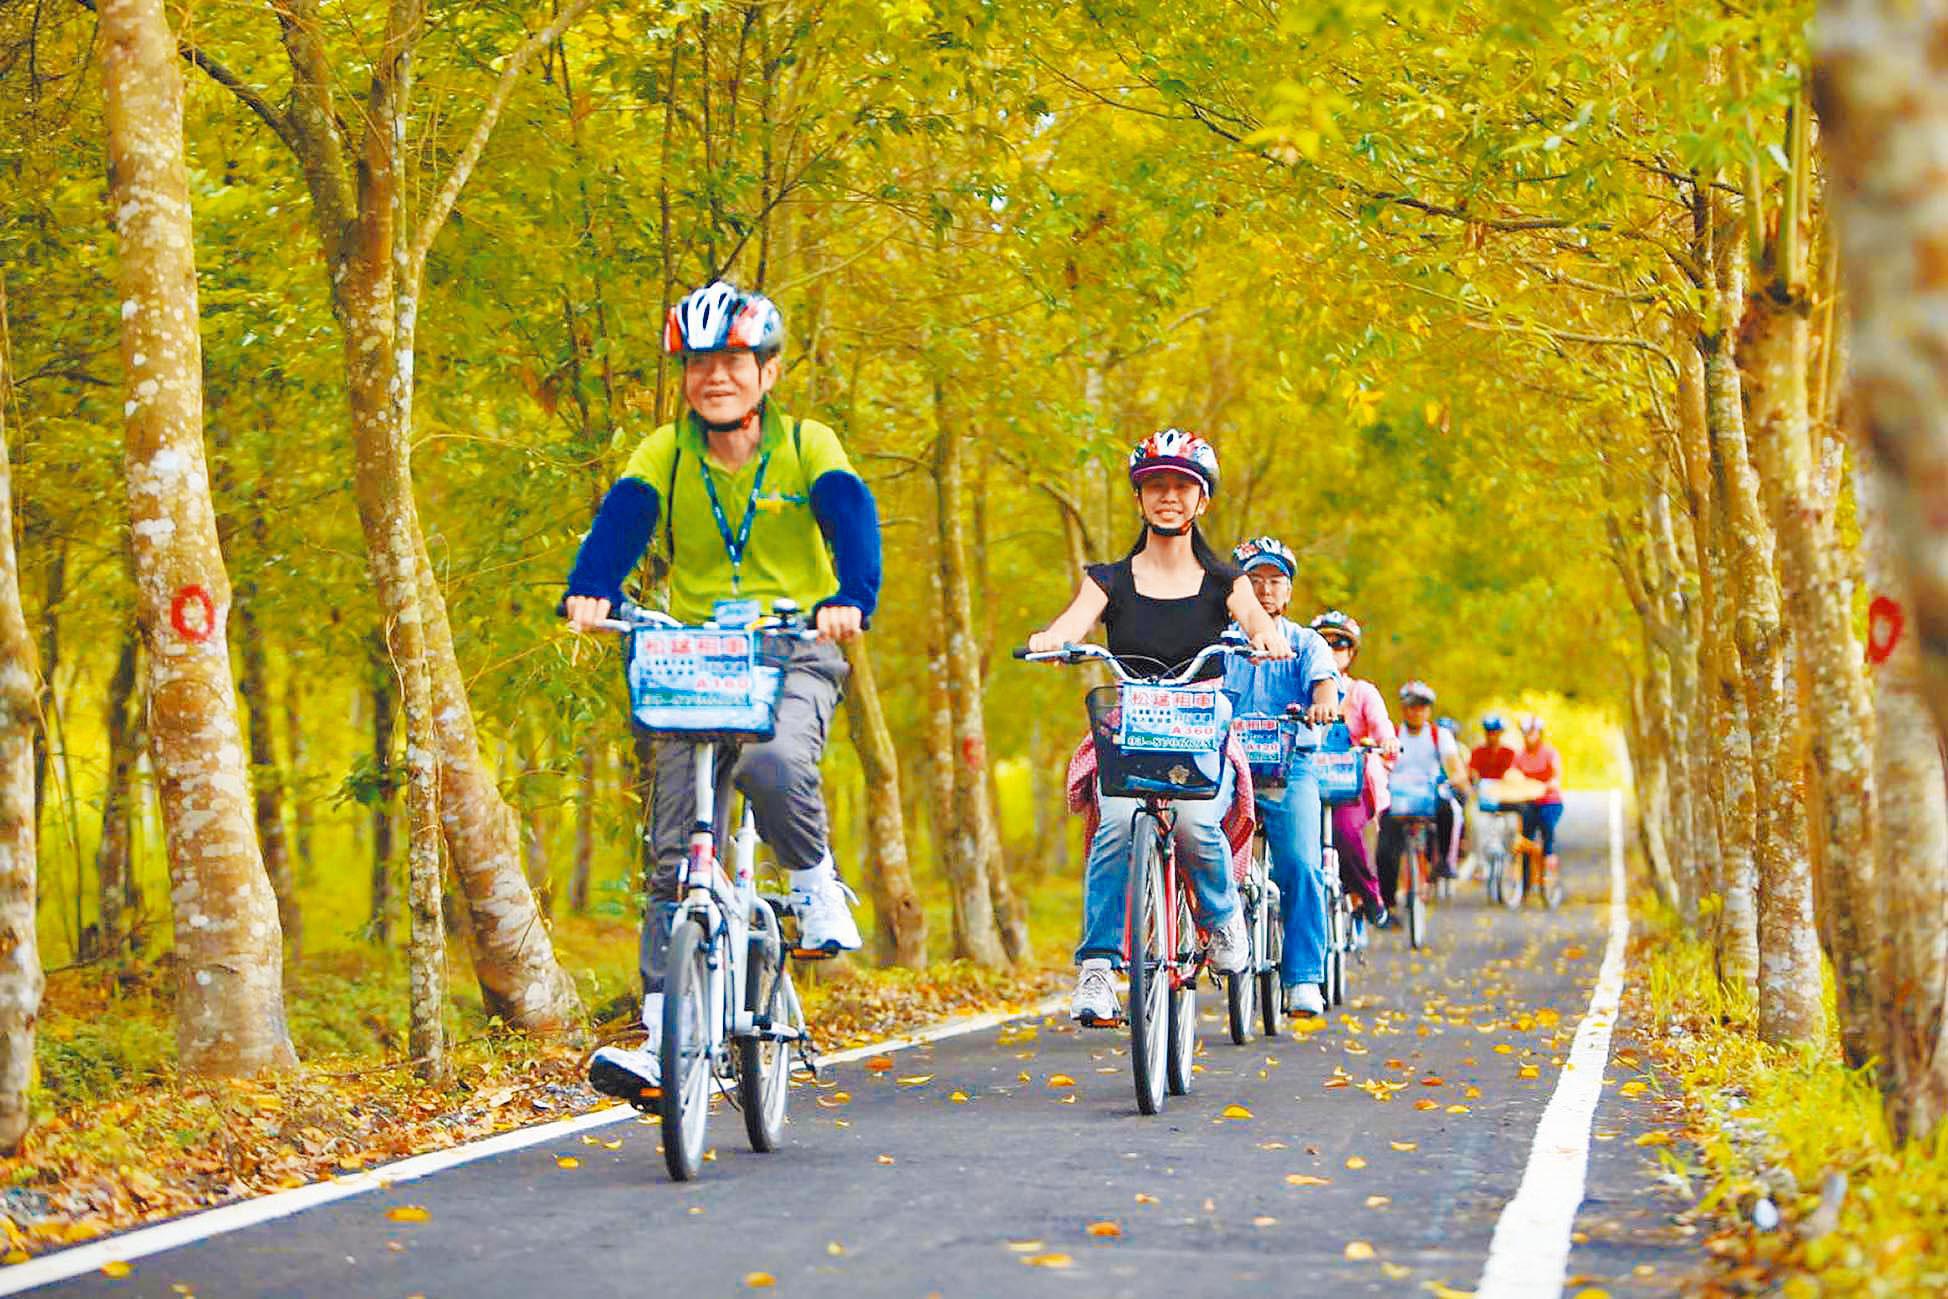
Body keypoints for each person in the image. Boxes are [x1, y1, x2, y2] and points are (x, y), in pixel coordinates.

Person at [561, 281, 882, 1097]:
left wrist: (853, 597)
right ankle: (664, 1040)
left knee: (774, 766)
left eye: (734, 360)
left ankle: (813, 886)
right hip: (693, 656)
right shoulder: (663, 454)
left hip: (793, 647)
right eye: (700, 362)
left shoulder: (809, 444)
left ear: (767, 372)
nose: (716, 376)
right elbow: (621, 522)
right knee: (676, 853)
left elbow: (852, 514)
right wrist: (590, 587)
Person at [1027, 429, 1292, 1026]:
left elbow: (1253, 620)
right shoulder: (1109, 579)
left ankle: (1222, 920)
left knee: (1200, 826)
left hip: (1200, 736)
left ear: (1202, 501)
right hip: (1131, 735)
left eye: (1182, 486)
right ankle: (1097, 969)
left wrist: (1266, 637)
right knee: (1116, 826)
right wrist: (1053, 640)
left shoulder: (1229, 583)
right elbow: (1074, 621)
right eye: (1155, 485)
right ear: (1140, 498)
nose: (1168, 496)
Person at [1221, 537, 1339, 1018]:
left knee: (1303, 865)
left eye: (1275, 581)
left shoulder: (1305, 642)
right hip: (1226, 769)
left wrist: (1324, 704)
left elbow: (1324, 682)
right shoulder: (1218, 643)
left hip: (1290, 771)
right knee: (1194, 844)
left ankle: (1304, 977)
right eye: (1254, 581)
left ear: (1288, 592)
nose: (1265, 590)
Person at [1309, 610, 1395, 926]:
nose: (1332, 651)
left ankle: (1370, 894)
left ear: (1352, 652)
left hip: (1349, 786)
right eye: (1324, 643)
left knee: (1345, 833)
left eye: (1340, 644)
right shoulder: (1302, 687)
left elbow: (1382, 725)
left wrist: (1386, 741)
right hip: (1306, 780)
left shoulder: (1362, 692)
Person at [1376, 680, 1468, 910]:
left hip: (1430, 795)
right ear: (1403, 709)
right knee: (1386, 850)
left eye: (1422, 706)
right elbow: (1379, 765)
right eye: (1412, 706)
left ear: (1429, 710)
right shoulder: (1392, 735)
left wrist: (1457, 779)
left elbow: (1454, 766)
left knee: (1449, 810)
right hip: (1397, 798)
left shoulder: (1440, 736)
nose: (1417, 712)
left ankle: (1444, 862)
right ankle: (1388, 905)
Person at [1514, 714, 1566, 888]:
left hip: (1549, 801)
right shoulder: (1520, 756)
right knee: (1525, 835)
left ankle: (1549, 857)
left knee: (1546, 825)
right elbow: (1512, 773)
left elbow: (1556, 775)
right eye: (1526, 733)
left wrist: (1551, 783)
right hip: (1529, 802)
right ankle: (1526, 881)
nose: (1529, 736)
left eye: (1532, 732)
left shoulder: (1549, 753)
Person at [1469, 714, 1516, 781]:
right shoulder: (1477, 752)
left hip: (1503, 787)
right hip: (1482, 787)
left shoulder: (1509, 753)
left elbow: (1511, 774)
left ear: (1500, 732)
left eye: (1494, 732)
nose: (1491, 736)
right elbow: (1473, 772)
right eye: (1488, 732)